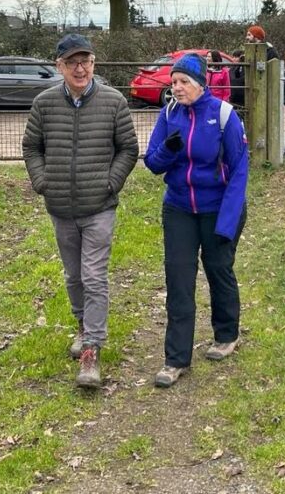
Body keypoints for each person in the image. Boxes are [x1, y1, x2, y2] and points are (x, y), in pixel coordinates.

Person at [21, 33, 139, 389]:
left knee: (93, 276)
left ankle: (91, 351)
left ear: (93, 63)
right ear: (59, 66)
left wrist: (110, 183)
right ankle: (83, 326)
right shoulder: (44, 104)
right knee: (73, 276)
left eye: (85, 61)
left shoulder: (113, 101)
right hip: (61, 207)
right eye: (72, 62)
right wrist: (42, 181)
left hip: (99, 206)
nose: (79, 68)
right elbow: (31, 147)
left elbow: (128, 149)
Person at [144, 53, 249, 388]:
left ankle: (227, 334)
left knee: (218, 268)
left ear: (200, 84)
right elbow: (153, 163)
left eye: (183, 82)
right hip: (178, 207)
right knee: (178, 277)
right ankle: (175, 359)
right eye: (173, 82)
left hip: (217, 206)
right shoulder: (169, 114)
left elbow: (239, 171)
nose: (176, 88)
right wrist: (169, 150)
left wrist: (227, 224)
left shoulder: (223, 115)